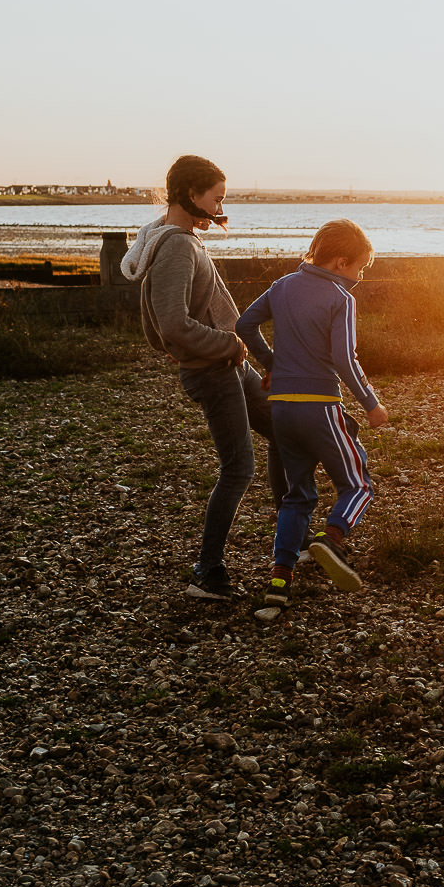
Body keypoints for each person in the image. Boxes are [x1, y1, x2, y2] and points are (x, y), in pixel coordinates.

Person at [122, 155, 284, 600]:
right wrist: (227, 344)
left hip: (229, 365)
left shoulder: (183, 239)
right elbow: (171, 325)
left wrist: (241, 352)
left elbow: (170, 324)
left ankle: (294, 538)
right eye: (216, 199)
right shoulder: (175, 247)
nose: (220, 209)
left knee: (284, 430)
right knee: (239, 468)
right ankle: (207, 572)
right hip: (212, 372)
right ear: (191, 195)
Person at [236, 219, 388, 605]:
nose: (360, 277)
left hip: (282, 410)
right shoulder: (341, 298)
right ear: (341, 262)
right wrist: (371, 403)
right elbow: (344, 358)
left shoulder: (283, 285)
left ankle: (279, 581)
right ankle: (331, 539)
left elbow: (244, 325)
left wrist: (273, 363)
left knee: (297, 495)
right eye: (360, 268)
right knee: (357, 485)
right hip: (319, 406)